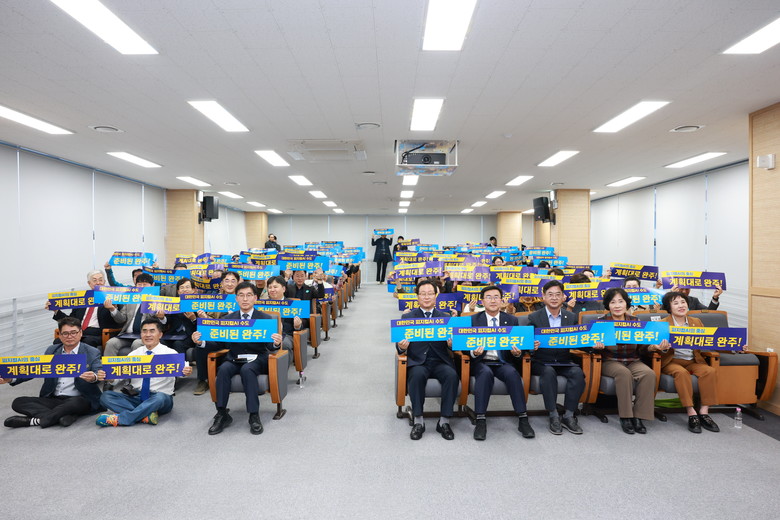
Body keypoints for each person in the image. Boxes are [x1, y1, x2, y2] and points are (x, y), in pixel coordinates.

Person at [192, 282, 283, 435]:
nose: (245, 299)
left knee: (248, 370)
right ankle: (222, 413)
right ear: (236, 299)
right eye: (241, 295)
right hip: (234, 357)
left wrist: (276, 343)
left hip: (257, 358)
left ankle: (254, 415)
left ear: (255, 298)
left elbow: (270, 345)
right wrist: (201, 342)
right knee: (223, 370)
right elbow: (219, 343)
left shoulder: (265, 318)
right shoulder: (228, 318)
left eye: (249, 295)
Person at [1, 317, 103, 428]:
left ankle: (34, 421)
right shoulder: (52, 350)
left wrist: (93, 377)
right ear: (60, 335)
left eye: (73, 332)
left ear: (81, 333)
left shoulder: (92, 352)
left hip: (79, 398)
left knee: (76, 403)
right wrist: (11, 379)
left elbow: (98, 372)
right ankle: (64, 416)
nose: (69, 336)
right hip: (53, 399)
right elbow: (34, 370)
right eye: (65, 333)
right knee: (18, 402)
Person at [96, 318, 192, 426]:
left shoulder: (170, 353)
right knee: (106, 396)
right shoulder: (133, 355)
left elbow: (182, 372)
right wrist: (108, 377)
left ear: (160, 334)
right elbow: (117, 378)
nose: (148, 335)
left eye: (152, 331)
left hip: (159, 397)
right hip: (137, 396)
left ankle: (125, 418)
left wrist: (186, 371)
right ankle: (145, 415)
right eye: (144, 331)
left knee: (160, 398)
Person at [468, 285, 535, 441]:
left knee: (512, 373)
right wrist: (473, 352)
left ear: (501, 300)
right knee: (485, 374)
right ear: (482, 301)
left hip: (503, 361)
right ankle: (480, 420)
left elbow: (520, 346)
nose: (492, 300)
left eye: (496, 297)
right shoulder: (473, 320)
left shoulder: (511, 320)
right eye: (488, 297)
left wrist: (517, 353)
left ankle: (523, 418)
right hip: (481, 361)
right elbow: (464, 346)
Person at [396, 279, 459, 441]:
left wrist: (452, 344)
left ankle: (444, 421)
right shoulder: (408, 317)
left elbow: (455, 345)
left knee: (452, 376)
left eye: (430, 294)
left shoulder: (445, 318)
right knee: (416, 375)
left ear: (436, 296)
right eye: (423, 294)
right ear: (417, 296)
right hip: (418, 361)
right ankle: (418, 421)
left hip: (440, 361)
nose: (426, 297)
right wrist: (402, 347)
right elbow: (399, 345)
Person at [593, 288, 660, 434]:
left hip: (632, 360)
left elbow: (642, 347)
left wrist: (653, 347)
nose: (617, 305)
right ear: (608, 305)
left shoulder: (635, 321)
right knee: (624, 374)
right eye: (613, 302)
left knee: (649, 374)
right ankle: (626, 416)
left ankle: (639, 416)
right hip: (610, 360)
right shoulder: (601, 322)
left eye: (621, 301)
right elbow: (591, 346)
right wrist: (596, 346)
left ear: (626, 303)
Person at [655, 291, 721, 434]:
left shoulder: (696, 322)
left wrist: (736, 348)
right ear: (669, 307)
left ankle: (704, 412)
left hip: (693, 359)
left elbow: (709, 342)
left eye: (683, 302)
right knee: (681, 373)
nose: (681, 306)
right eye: (676, 303)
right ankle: (691, 412)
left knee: (709, 371)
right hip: (672, 361)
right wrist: (662, 348)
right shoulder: (662, 324)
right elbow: (651, 348)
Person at [527, 280, 586, 435]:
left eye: (557, 294)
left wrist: (594, 344)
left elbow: (579, 341)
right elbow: (525, 342)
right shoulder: (534, 317)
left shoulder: (571, 317)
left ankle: (568, 415)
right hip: (541, 361)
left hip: (564, 360)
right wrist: (531, 345)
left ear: (563, 297)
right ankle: (553, 414)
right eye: (550, 294)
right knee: (548, 372)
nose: (554, 298)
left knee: (577, 373)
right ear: (543, 297)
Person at [46, 270, 123, 348]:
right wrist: (56, 311)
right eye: (94, 280)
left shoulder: (112, 297)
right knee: (57, 341)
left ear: (104, 282)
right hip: (77, 332)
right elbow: (70, 320)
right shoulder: (82, 299)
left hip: (98, 333)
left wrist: (112, 308)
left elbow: (120, 320)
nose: (98, 283)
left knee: (87, 342)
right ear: (89, 283)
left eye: (100, 280)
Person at [102, 273, 158, 363]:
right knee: (111, 343)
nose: (141, 287)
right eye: (139, 285)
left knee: (137, 343)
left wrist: (149, 303)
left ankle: (135, 370)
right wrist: (112, 309)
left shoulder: (157, 301)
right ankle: (108, 370)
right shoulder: (131, 300)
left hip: (145, 336)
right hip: (127, 335)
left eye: (145, 285)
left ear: (152, 285)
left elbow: (155, 320)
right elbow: (121, 319)